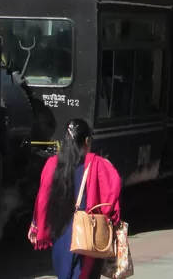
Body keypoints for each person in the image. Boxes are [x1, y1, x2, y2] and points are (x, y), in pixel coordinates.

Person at [28, 119, 122, 279]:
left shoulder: (52, 164)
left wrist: (37, 224)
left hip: (60, 233)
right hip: (86, 232)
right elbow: (113, 190)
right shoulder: (97, 164)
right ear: (87, 141)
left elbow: (43, 199)